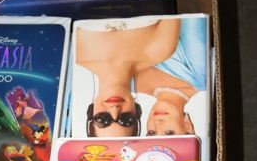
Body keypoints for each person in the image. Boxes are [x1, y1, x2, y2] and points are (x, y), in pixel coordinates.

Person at [75, 16, 207, 138]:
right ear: (137, 111)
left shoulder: (76, 54)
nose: (115, 110)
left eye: (103, 119)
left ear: (91, 111)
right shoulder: (162, 49)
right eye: (126, 119)